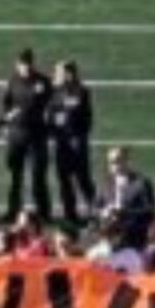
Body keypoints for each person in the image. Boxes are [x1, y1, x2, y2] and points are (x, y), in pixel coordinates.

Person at [2, 48, 53, 221]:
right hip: (17, 134)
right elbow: (6, 103)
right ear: (17, 64)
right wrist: (9, 116)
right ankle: (12, 210)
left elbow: (52, 103)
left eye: (29, 63)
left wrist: (47, 120)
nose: (26, 67)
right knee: (15, 175)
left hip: (37, 135)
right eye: (23, 64)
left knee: (38, 175)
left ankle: (44, 212)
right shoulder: (13, 81)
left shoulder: (43, 81)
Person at [48, 60, 96, 224]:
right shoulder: (55, 91)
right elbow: (52, 113)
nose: (56, 75)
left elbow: (79, 114)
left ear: (69, 74)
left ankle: (94, 211)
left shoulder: (80, 91)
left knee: (82, 178)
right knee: (64, 179)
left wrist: (77, 134)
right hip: (62, 141)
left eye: (59, 72)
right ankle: (70, 213)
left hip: (76, 140)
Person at [99, 146, 155, 250]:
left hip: (133, 239)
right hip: (108, 237)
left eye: (118, 161)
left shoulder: (141, 183)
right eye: (111, 162)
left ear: (126, 161)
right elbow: (96, 206)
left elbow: (150, 213)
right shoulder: (106, 183)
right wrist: (104, 212)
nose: (114, 165)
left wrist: (124, 213)